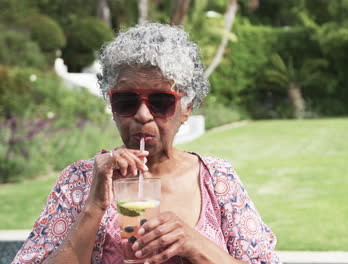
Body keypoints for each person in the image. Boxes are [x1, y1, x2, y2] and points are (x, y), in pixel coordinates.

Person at [13, 23, 279, 264]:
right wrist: (93, 207)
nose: (142, 115)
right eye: (126, 101)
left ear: (186, 109)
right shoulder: (79, 180)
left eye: (161, 101)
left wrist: (195, 244)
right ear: (112, 106)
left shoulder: (218, 180)